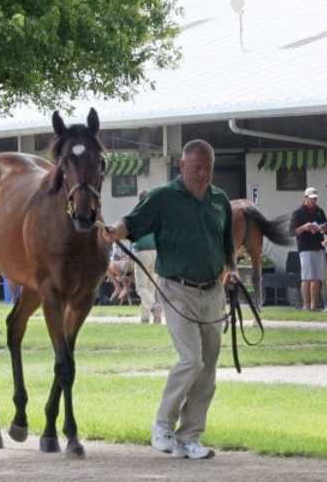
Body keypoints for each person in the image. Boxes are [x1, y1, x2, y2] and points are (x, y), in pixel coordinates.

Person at [105, 139, 236, 460]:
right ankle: (162, 425)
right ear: (182, 167)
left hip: (213, 291)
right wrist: (115, 231)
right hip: (177, 288)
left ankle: (190, 436)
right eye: (196, 168)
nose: (203, 174)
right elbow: (132, 224)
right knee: (191, 359)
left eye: (207, 168)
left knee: (207, 370)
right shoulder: (164, 198)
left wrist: (231, 270)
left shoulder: (220, 201)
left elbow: (226, 244)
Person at [291, 186, 327, 311]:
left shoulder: (320, 211)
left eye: (315, 199)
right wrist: (304, 227)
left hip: (318, 246)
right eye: (312, 199)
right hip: (305, 248)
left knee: (318, 277)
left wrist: (323, 229)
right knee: (307, 277)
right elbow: (292, 232)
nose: (314, 201)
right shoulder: (298, 213)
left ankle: (314, 305)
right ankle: (306, 305)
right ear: (305, 198)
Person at [132, 191, 163, 324]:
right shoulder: (155, 214)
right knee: (150, 286)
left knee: (141, 287)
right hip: (155, 252)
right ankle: (146, 318)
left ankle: (154, 307)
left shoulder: (137, 213)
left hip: (142, 252)